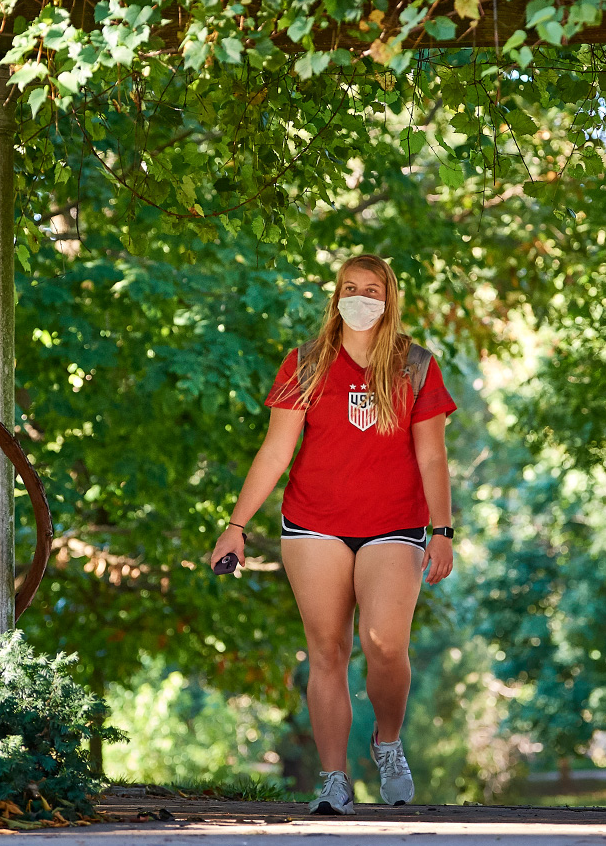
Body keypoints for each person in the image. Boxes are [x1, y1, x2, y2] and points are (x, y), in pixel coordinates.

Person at [209, 254, 457, 815]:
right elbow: (276, 450)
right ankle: (334, 780)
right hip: (313, 523)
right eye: (351, 287)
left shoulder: (416, 366)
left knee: (384, 643)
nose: (361, 298)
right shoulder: (307, 363)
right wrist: (235, 527)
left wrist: (442, 530)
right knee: (327, 650)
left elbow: (433, 454)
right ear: (336, 295)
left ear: (389, 299)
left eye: (372, 289)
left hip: (394, 525)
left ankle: (387, 742)